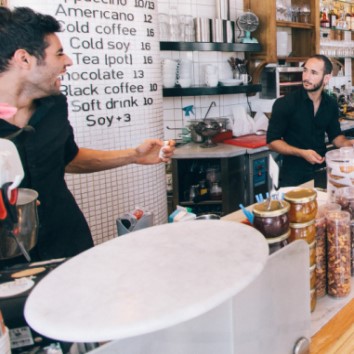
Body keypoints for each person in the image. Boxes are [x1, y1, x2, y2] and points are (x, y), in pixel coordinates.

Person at [0, 7, 175, 262]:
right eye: (59, 53)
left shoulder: (54, 106)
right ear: (24, 59)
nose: (68, 61)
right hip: (8, 257)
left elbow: (68, 158)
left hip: (67, 244)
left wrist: (134, 156)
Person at [266, 54, 354, 187]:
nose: (306, 77)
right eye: (305, 70)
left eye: (313, 73)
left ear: (326, 78)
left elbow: (335, 136)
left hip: (321, 172)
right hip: (293, 177)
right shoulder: (285, 103)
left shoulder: (330, 104)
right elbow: (272, 141)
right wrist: (301, 153)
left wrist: (348, 144)